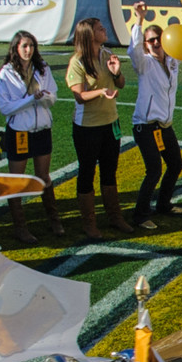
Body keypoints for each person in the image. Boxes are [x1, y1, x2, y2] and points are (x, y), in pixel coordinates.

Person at [65, 18, 130, 238]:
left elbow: (120, 84)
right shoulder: (78, 62)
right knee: (87, 172)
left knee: (110, 171)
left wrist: (116, 72)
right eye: (100, 29)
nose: (105, 31)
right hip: (88, 127)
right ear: (89, 35)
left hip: (111, 123)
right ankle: (89, 223)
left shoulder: (107, 54)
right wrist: (101, 92)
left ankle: (115, 217)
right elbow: (80, 96)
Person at [0, 30, 60, 238]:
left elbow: (53, 96)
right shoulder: (6, 73)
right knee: (17, 178)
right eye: (24, 46)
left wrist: (44, 98)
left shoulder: (42, 68)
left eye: (31, 45)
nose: (28, 50)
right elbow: (5, 107)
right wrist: (31, 99)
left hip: (41, 130)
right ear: (15, 48)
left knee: (43, 176)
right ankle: (20, 227)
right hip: (19, 132)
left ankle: (54, 218)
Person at [129, 21, 182, 230]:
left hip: (164, 125)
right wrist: (138, 21)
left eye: (158, 39)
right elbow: (133, 51)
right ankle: (140, 215)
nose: (154, 43)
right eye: (150, 40)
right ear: (145, 44)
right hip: (146, 125)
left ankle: (163, 204)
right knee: (153, 170)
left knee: (176, 164)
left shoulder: (172, 61)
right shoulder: (144, 63)